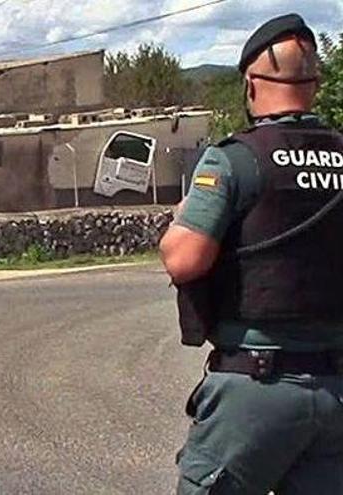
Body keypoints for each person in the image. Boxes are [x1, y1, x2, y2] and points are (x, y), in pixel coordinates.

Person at [160, 13, 343, 494]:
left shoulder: (235, 158)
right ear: (316, 84)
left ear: (250, 85)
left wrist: (181, 219)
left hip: (256, 388)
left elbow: (184, 260)